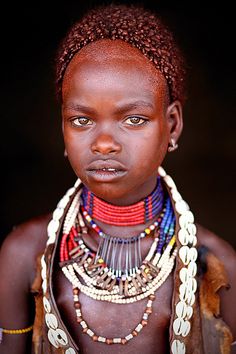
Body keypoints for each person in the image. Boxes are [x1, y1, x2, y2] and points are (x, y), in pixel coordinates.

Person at [0, 3, 235, 354]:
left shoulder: (216, 266)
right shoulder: (24, 253)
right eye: (81, 120)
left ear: (172, 124)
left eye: (134, 119)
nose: (104, 143)